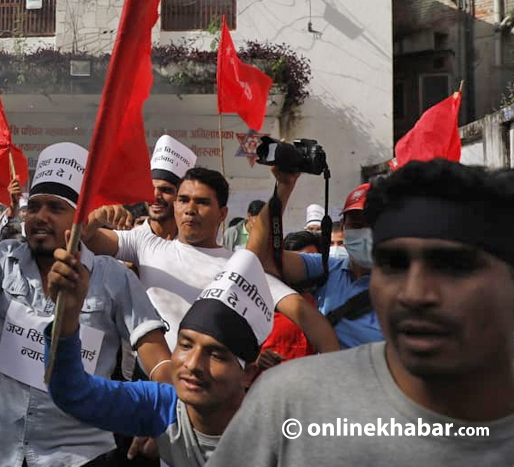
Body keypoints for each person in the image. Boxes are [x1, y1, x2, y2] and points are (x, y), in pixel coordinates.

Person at [211, 160, 514, 464]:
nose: (415, 294)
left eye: (452, 266)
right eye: (393, 264)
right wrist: (283, 189)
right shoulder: (287, 401)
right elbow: (261, 260)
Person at [0, 143, 173, 467]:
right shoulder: (3, 260)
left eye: (55, 207)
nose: (40, 216)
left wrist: (165, 415)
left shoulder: (113, 278)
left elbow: (158, 361)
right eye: (35, 206)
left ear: (79, 217)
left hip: (79, 456)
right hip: (0, 453)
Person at [47, 248, 275, 466]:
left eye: (215, 354)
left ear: (248, 374)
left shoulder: (277, 435)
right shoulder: (163, 406)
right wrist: (67, 317)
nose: (193, 364)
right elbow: (73, 393)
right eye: (185, 345)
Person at [83, 166, 341, 356]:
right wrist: (96, 218)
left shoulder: (239, 267)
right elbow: (85, 239)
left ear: (223, 213)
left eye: (202, 202)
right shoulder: (144, 244)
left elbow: (311, 320)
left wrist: (328, 378)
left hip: (210, 397)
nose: (190, 209)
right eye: (183, 200)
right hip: (155, 389)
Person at [252, 179, 383, 349]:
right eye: (357, 225)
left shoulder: (404, 281)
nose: (365, 233)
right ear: (343, 227)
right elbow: (258, 258)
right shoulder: (327, 267)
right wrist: (284, 187)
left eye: (373, 225)